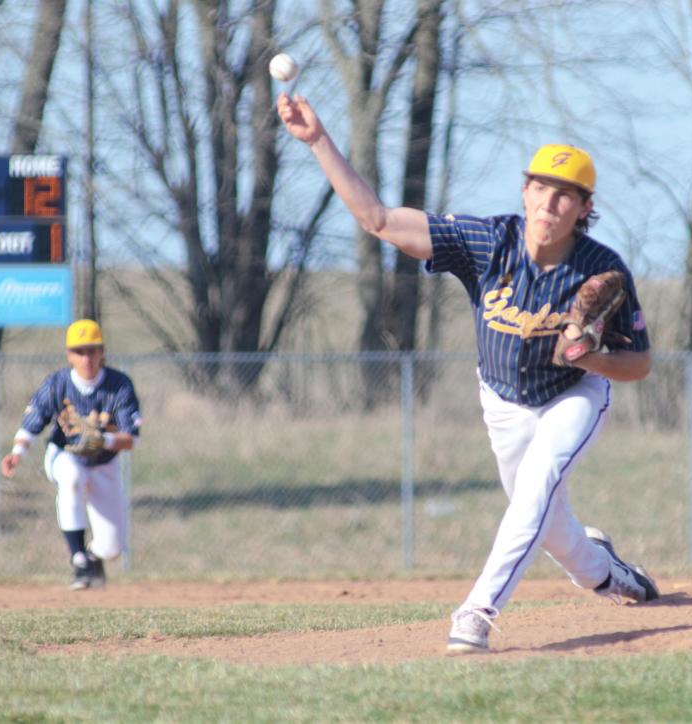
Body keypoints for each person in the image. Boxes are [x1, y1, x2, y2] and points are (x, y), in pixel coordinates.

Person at [277, 92, 659, 654]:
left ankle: (477, 612)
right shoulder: (488, 242)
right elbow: (378, 220)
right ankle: (613, 576)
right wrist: (318, 141)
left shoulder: (602, 267)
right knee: (550, 527)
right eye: (542, 190)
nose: (550, 204)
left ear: (583, 208)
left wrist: (592, 359)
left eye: (566, 196)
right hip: (502, 401)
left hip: (573, 395)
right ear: (525, 191)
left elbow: (641, 364)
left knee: (534, 490)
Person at [1, 319, 142, 590]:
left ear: (102, 352)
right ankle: (78, 559)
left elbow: (131, 439)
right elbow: (33, 423)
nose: (86, 357)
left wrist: (103, 439)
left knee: (112, 547)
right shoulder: (58, 384)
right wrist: (17, 453)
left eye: (92, 350)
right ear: (69, 355)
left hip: (104, 463)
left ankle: (92, 556)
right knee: (72, 476)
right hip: (64, 455)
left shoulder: (119, 385)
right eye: (79, 351)